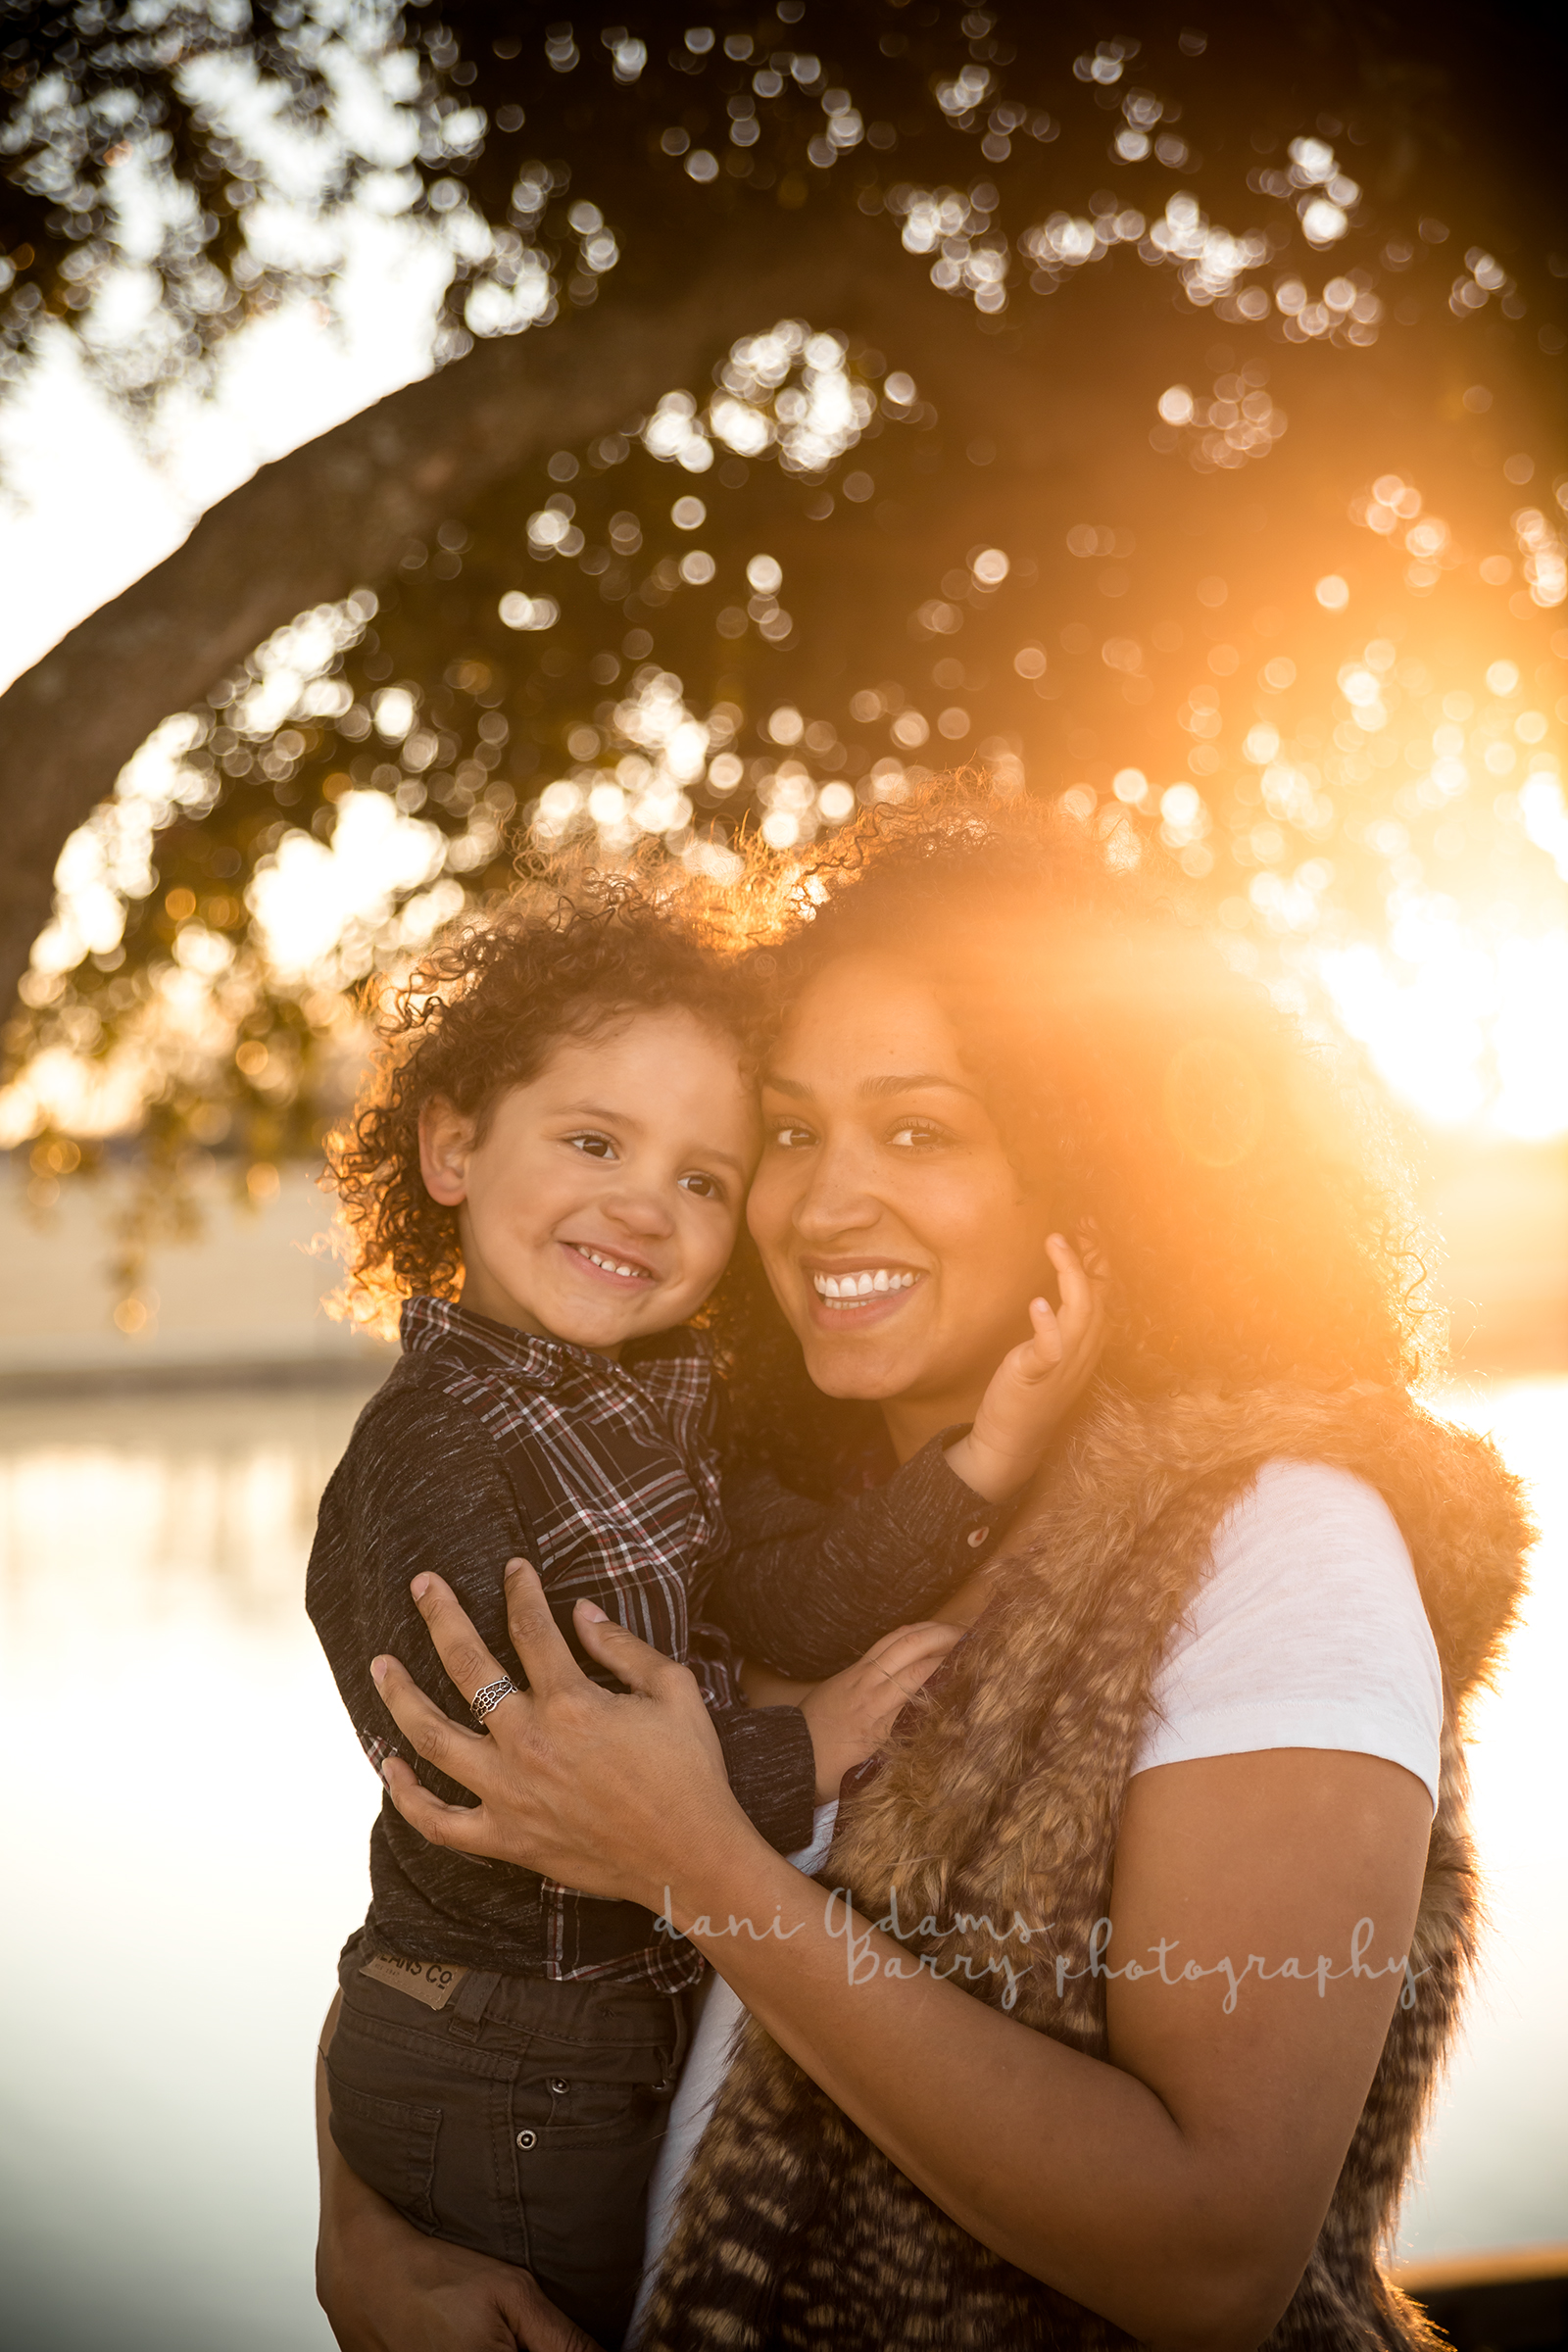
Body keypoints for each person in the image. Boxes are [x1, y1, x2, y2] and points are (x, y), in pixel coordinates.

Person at [319, 784, 1531, 2352]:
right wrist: (366, 2237)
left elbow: (1214, 2257)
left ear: (1089, 1177)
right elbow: (454, 1880)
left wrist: (708, 1864)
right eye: (792, 1133)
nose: (823, 1202)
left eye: (919, 1129)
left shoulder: (1273, 1546)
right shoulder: (752, 1509)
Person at [308, 874, 1103, 2349]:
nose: (644, 1205)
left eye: (704, 1178)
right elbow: (555, 1766)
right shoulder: (427, 1452)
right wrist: (800, 1757)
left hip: (583, 2039)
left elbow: (791, 1588)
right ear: (452, 1146)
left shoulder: (655, 1415)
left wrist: (980, 1463)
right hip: (498, 2060)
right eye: (595, 1142)